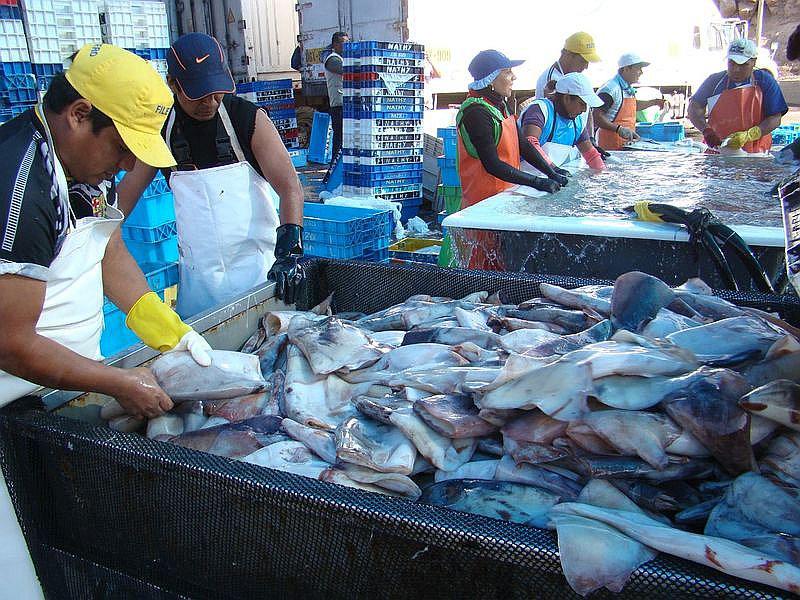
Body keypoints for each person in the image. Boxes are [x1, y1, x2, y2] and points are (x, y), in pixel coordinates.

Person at [0, 43, 213, 597]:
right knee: (19, 567)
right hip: (8, 399)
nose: (126, 165)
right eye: (122, 147)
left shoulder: (80, 164)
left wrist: (164, 326)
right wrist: (117, 382)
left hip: (57, 387)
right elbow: (10, 342)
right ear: (79, 115)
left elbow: (106, 247)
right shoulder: (20, 188)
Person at [117, 33, 305, 317]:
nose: (210, 101)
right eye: (198, 93)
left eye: (216, 91)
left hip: (259, 276)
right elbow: (125, 195)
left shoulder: (247, 119)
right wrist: (94, 237)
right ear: (173, 84)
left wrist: (289, 251)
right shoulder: (162, 132)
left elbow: (290, 187)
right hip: (199, 286)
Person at [439, 50, 567, 269]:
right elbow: (492, 164)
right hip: (482, 204)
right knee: (483, 265)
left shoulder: (499, 105)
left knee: (503, 261)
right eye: (507, 72)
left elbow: (523, 144)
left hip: (503, 198)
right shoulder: (476, 112)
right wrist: (537, 182)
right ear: (491, 79)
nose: (513, 77)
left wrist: (551, 172)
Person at [687, 38, 787, 152]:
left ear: (754, 62)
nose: (736, 69)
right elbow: (694, 107)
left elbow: (775, 118)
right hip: (718, 149)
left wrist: (750, 135)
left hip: (756, 152)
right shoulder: (714, 81)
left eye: (743, 65)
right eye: (732, 63)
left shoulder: (765, 81)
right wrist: (706, 131)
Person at [520, 72, 606, 170]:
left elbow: (591, 155)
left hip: (547, 175)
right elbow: (530, 142)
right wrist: (553, 170)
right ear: (566, 98)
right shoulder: (540, 110)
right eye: (582, 104)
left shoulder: (577, 122)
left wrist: (602, 173)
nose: (584, 110)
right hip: (523, 174)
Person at [594, 53, 665, 151]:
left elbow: (632, 106)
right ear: (626, 69)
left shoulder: (627, 87)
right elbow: (597, 117)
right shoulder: (610, 89)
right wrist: (619, 129)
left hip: (625, 144)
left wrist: (654, 102)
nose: (641, 72)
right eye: (638, 68)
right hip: (609, 146)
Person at [535, 32, 600, 99]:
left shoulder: (570, 76)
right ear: (568, 55)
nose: (586, 67)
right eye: (583, 61)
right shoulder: (551, 82)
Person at [323, 31, 348, 162]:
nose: (347, 45)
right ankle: (335, 165)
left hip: (345, 103)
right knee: (339, 138)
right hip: (338, 105)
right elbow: (347, 70)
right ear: (335, 45)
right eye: (344, 43)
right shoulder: (333, 60)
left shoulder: (342, 59)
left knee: (344, 137)